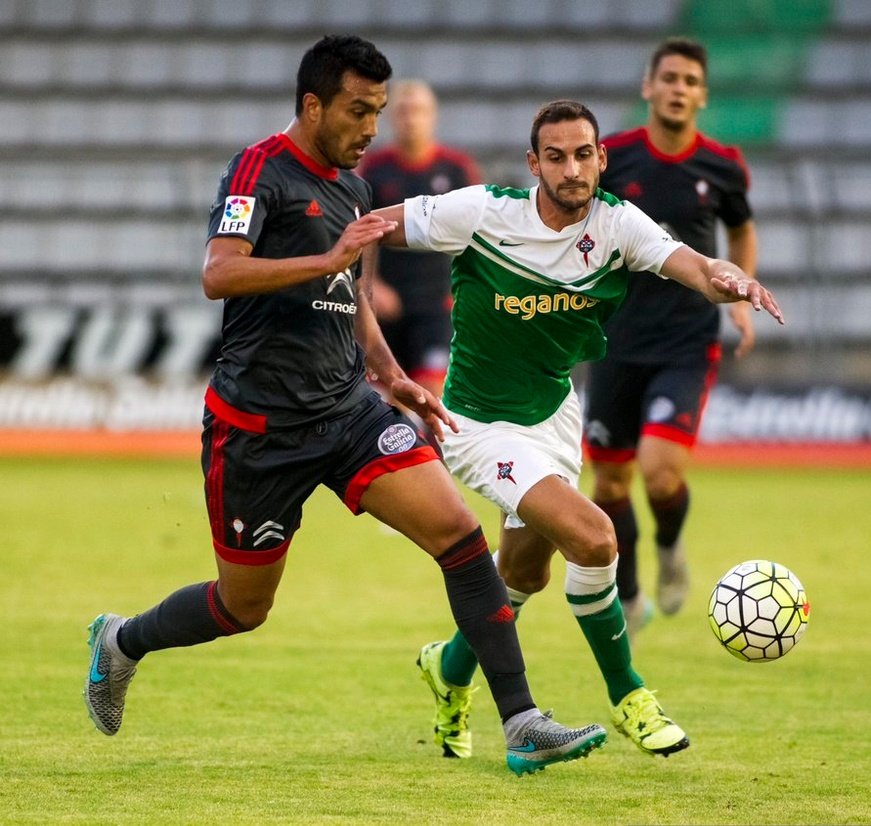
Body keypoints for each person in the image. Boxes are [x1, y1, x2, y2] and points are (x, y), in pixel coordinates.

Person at [83, 34, 607, 778]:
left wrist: (390, 376)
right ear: (312, 105)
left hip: (350, 412)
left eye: (380, 111)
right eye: (358, 111)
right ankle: (122, 641)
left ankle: (520, 721)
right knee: (242, 608)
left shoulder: (355, 191)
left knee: (460, 538)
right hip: (258, 428)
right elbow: (218, 272)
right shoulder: (259, 167)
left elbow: (351, 297)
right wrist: (324, 259)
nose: (371, 128)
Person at [370, 99, 783, 760]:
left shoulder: (618, 224)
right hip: (476, 425)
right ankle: (630, 698)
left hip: (553, 417)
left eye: (583, 153)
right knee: (595, 539)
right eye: (556, 156)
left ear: (601, 157)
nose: (572, 168)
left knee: (525, 573)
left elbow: (694, 266)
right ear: (534, 163)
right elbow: (372, 227)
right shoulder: (482, 211)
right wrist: (329, 273)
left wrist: (728, 279)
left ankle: (446, 671)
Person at [583, 38, 759, 630]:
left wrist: (742, 293)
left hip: (686, 340)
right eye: (670, 78)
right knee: (609, 479)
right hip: (614, 339)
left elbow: (740, 229)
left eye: (690, 81)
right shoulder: (616, 158)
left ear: (702, 95)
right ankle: (629, 593)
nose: (679, 89)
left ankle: (669, 548)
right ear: (648, 87)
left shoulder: (722, 165)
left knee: (660, 472)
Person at [359, 79, 481, 411]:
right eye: (403, 111)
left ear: (432, 116)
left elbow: (479, 234)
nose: (411, 119)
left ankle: (437, 460)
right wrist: (374, 287)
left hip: (435, 303)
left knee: (431, 391)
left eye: (418, 111)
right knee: (392, 396)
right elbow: (359, 231)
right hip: (390, 302)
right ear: (391, 118)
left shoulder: (456, 169)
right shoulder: (375, 169)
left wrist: (466, 292)